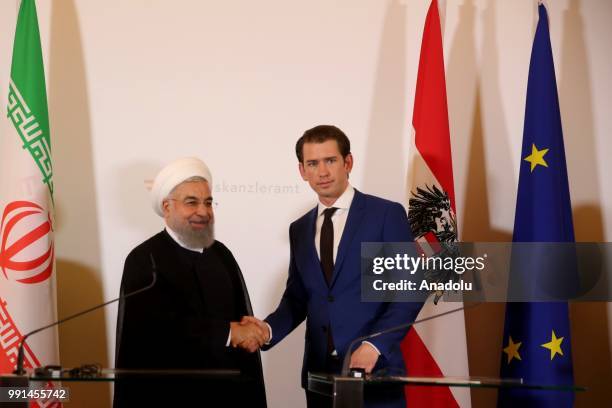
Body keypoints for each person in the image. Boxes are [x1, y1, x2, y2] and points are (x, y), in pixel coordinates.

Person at [243, 125, 422, 408]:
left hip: (375, 374)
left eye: (330, 161)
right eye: (313, 164)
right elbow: (298, 297)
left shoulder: (385, 215)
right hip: (320, 379)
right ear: (302, 171)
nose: (322, 172)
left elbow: (408, 290)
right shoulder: (299, 229)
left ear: (347, 162)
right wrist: (266, 329)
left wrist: (373, 346)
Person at [114, 157, 267, 407]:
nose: (203, 211)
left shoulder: (221, 254)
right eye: (191, 202)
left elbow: (241, 315)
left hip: (227, 395)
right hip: (170, 395)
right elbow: (156, 331)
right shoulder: (144, 259)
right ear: (167, 207)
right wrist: (232, 332)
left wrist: (251, 332)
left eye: (208, 202)